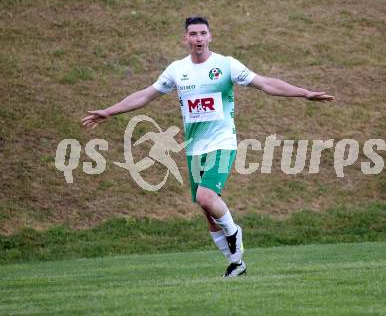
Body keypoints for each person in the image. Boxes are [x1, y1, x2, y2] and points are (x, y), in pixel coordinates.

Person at [82, 16, 334, 278]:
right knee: (207, 210)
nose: (198, 38)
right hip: (194, 149)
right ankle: (236, 264)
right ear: (186, 39)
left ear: (210, 37)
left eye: (203, 33)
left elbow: (265, 83)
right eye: (193, 34)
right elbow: (145, 95)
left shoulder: (225, 65)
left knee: (205, 197)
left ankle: (235, 232)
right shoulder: (177, 70)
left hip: (223, 144)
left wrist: (303, 92)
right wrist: (109, 112)